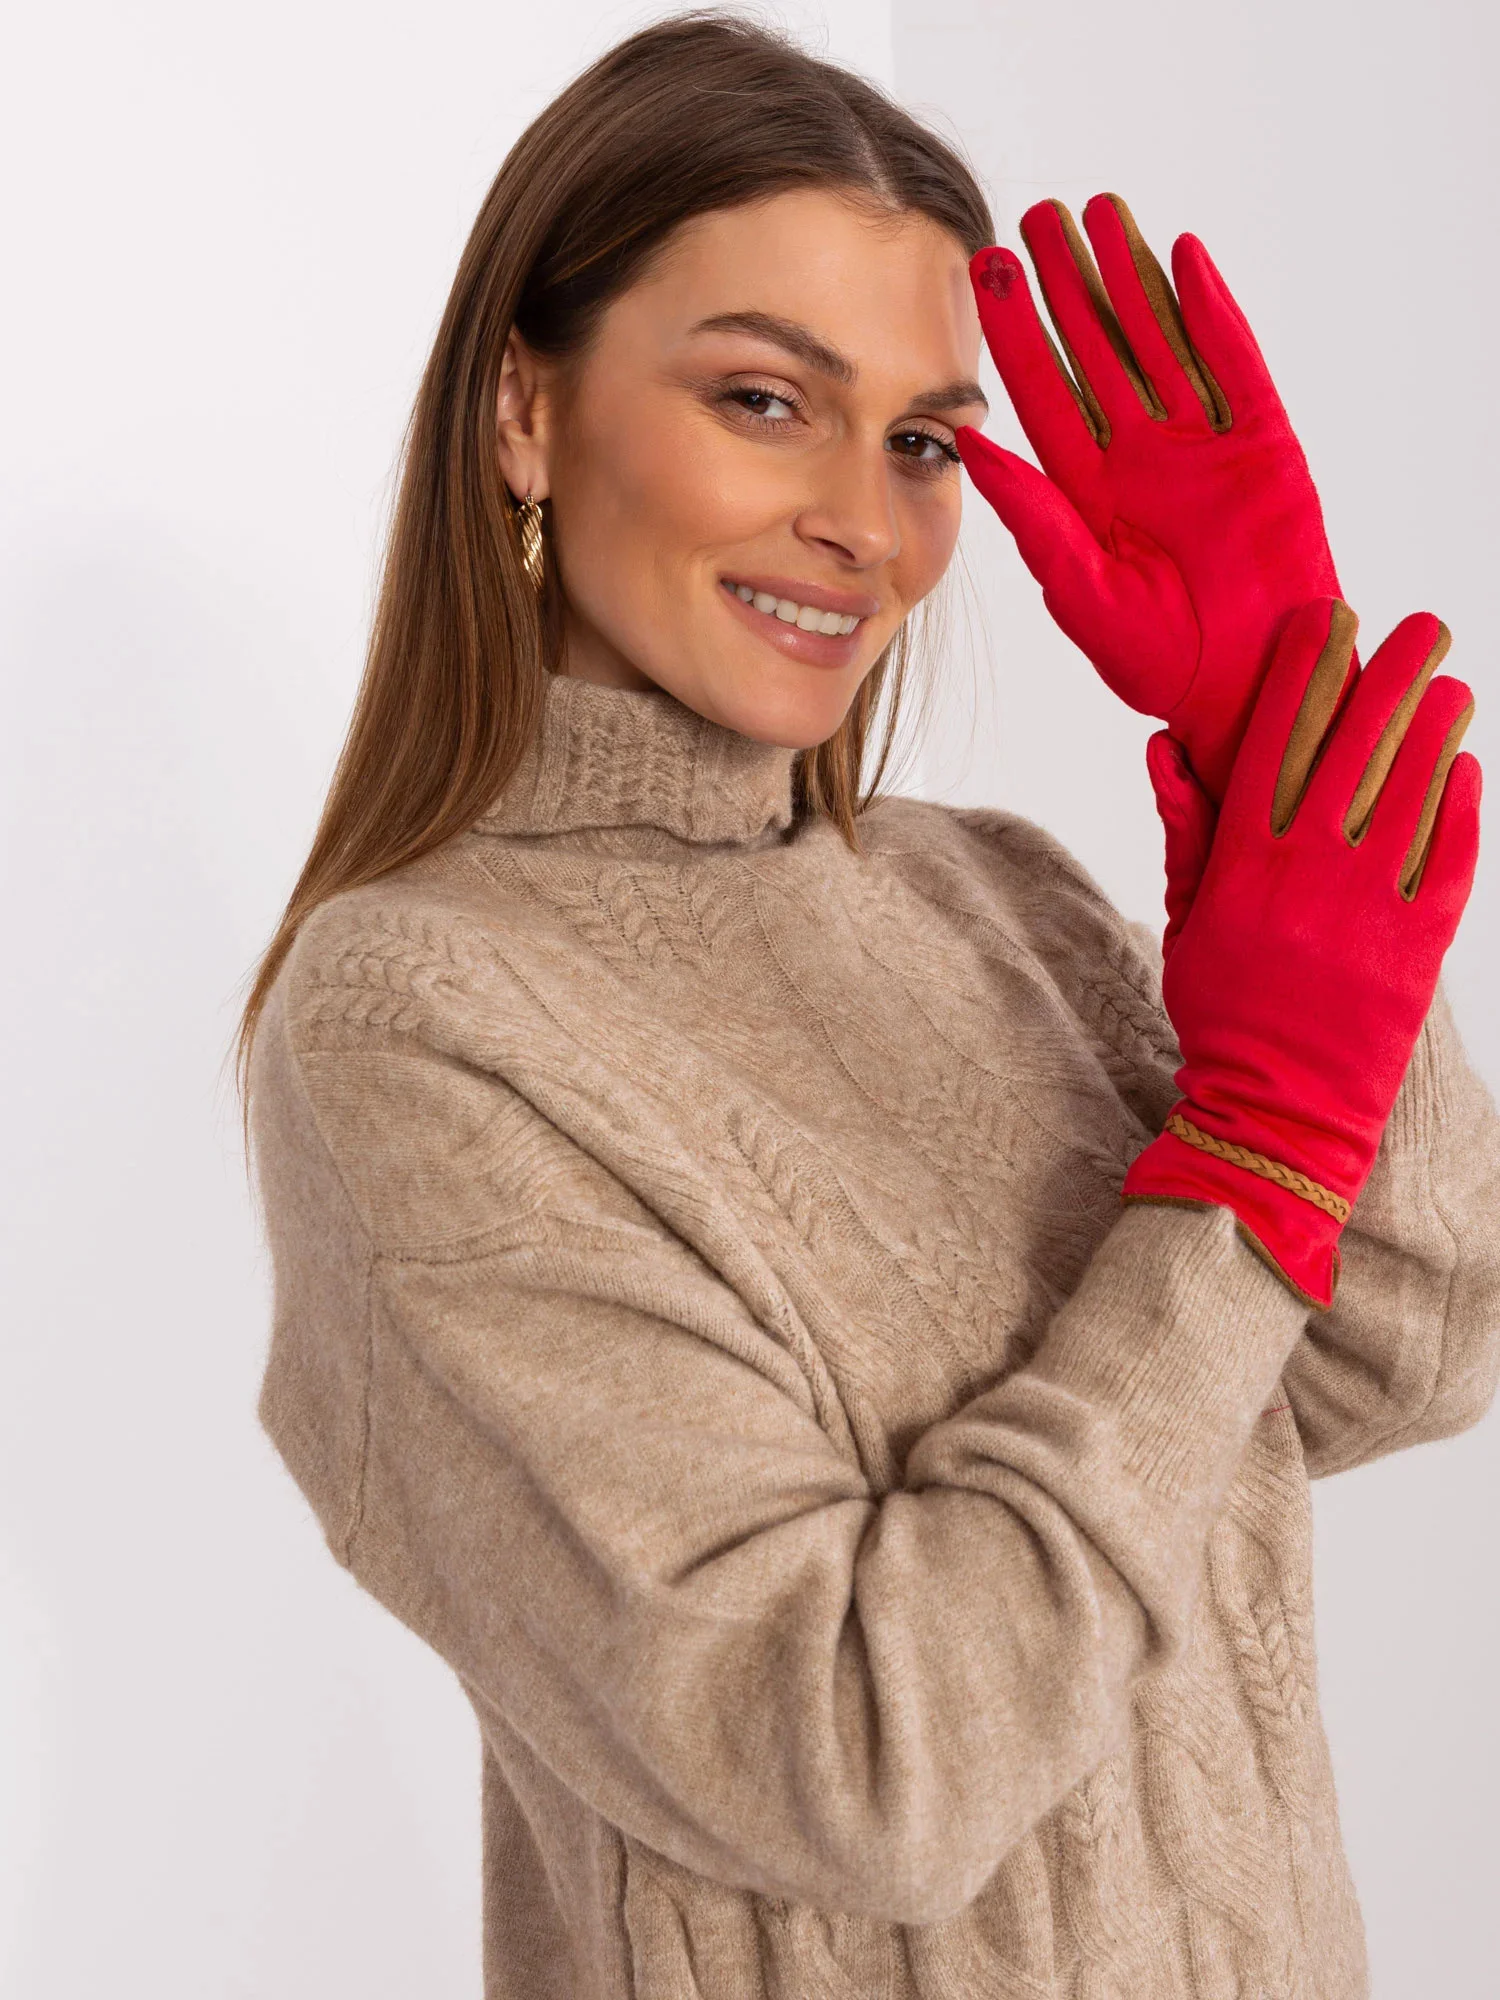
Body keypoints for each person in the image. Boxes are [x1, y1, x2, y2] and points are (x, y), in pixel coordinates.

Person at [234, 12, 1500, 1997]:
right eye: (765, 399)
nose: (866, 520)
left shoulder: (993, 897)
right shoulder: (416, 1020)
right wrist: (1252, 1152)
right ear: (525, 412)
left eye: (921, 441)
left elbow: (1407, 1352)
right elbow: (857, 1768)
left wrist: (1278, 742)